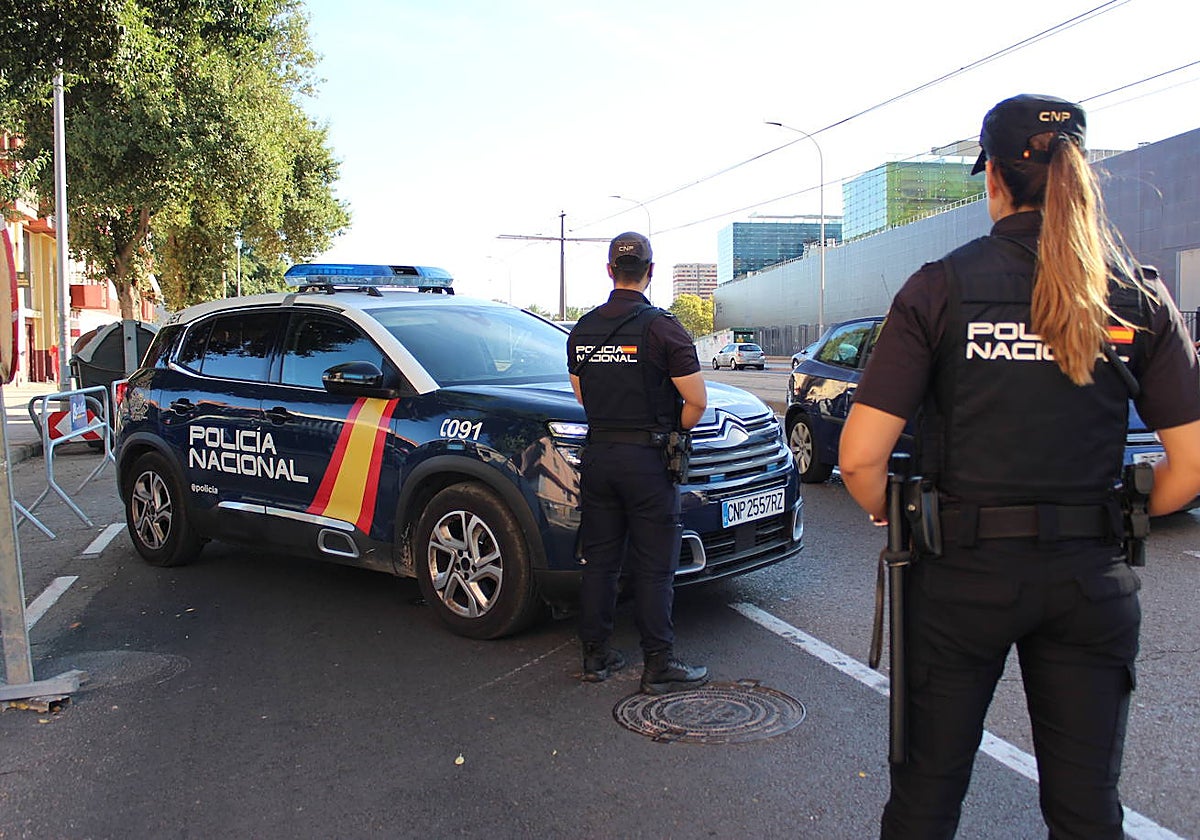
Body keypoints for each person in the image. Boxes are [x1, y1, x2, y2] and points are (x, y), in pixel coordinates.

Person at [839, 94, 1200, 839]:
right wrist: (1111, 517)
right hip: (1088, 580)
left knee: (926, 802)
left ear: (993, 178)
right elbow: (1191, 468)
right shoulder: (1138, 293)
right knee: (1087, 811)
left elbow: (859, 458)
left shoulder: (939, 286)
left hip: (961, 580)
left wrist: (891, 508)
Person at [566, 231, 709, 694]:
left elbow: (583, 396)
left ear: (610, 271)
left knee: (601, 560)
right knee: (654, 565)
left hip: (600, 455)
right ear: (651, 271)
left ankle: (595, 655)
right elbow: (697, 402)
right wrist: (673, 430)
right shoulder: (664, 329)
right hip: (647, 461)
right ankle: (658, 664)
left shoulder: (582, 329)